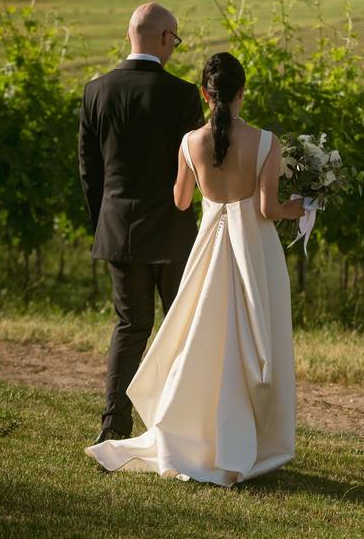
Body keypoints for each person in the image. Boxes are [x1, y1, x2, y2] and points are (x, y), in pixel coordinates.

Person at [84, 52, 305, 486]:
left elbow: (182, 202)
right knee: (251, 337)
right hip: (253, 251)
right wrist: (298, 207)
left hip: (207, 249)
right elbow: (267, 208)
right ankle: (247, 438)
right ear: (243, 93)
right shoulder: (266, 142)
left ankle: (195, 430)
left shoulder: (189, 143)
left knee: (202, 339)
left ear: (205, 95)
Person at [79, 2, 204, 445]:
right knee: (180, 329)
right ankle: (179, 426)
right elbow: (197, 167)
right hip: (172, 229)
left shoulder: (96, 91)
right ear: (166, 37)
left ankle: (113, 425)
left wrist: (105, 226)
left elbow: (89, 172)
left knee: (131, 327)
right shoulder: (184, 96)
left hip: (118, 229)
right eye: (176, 39)